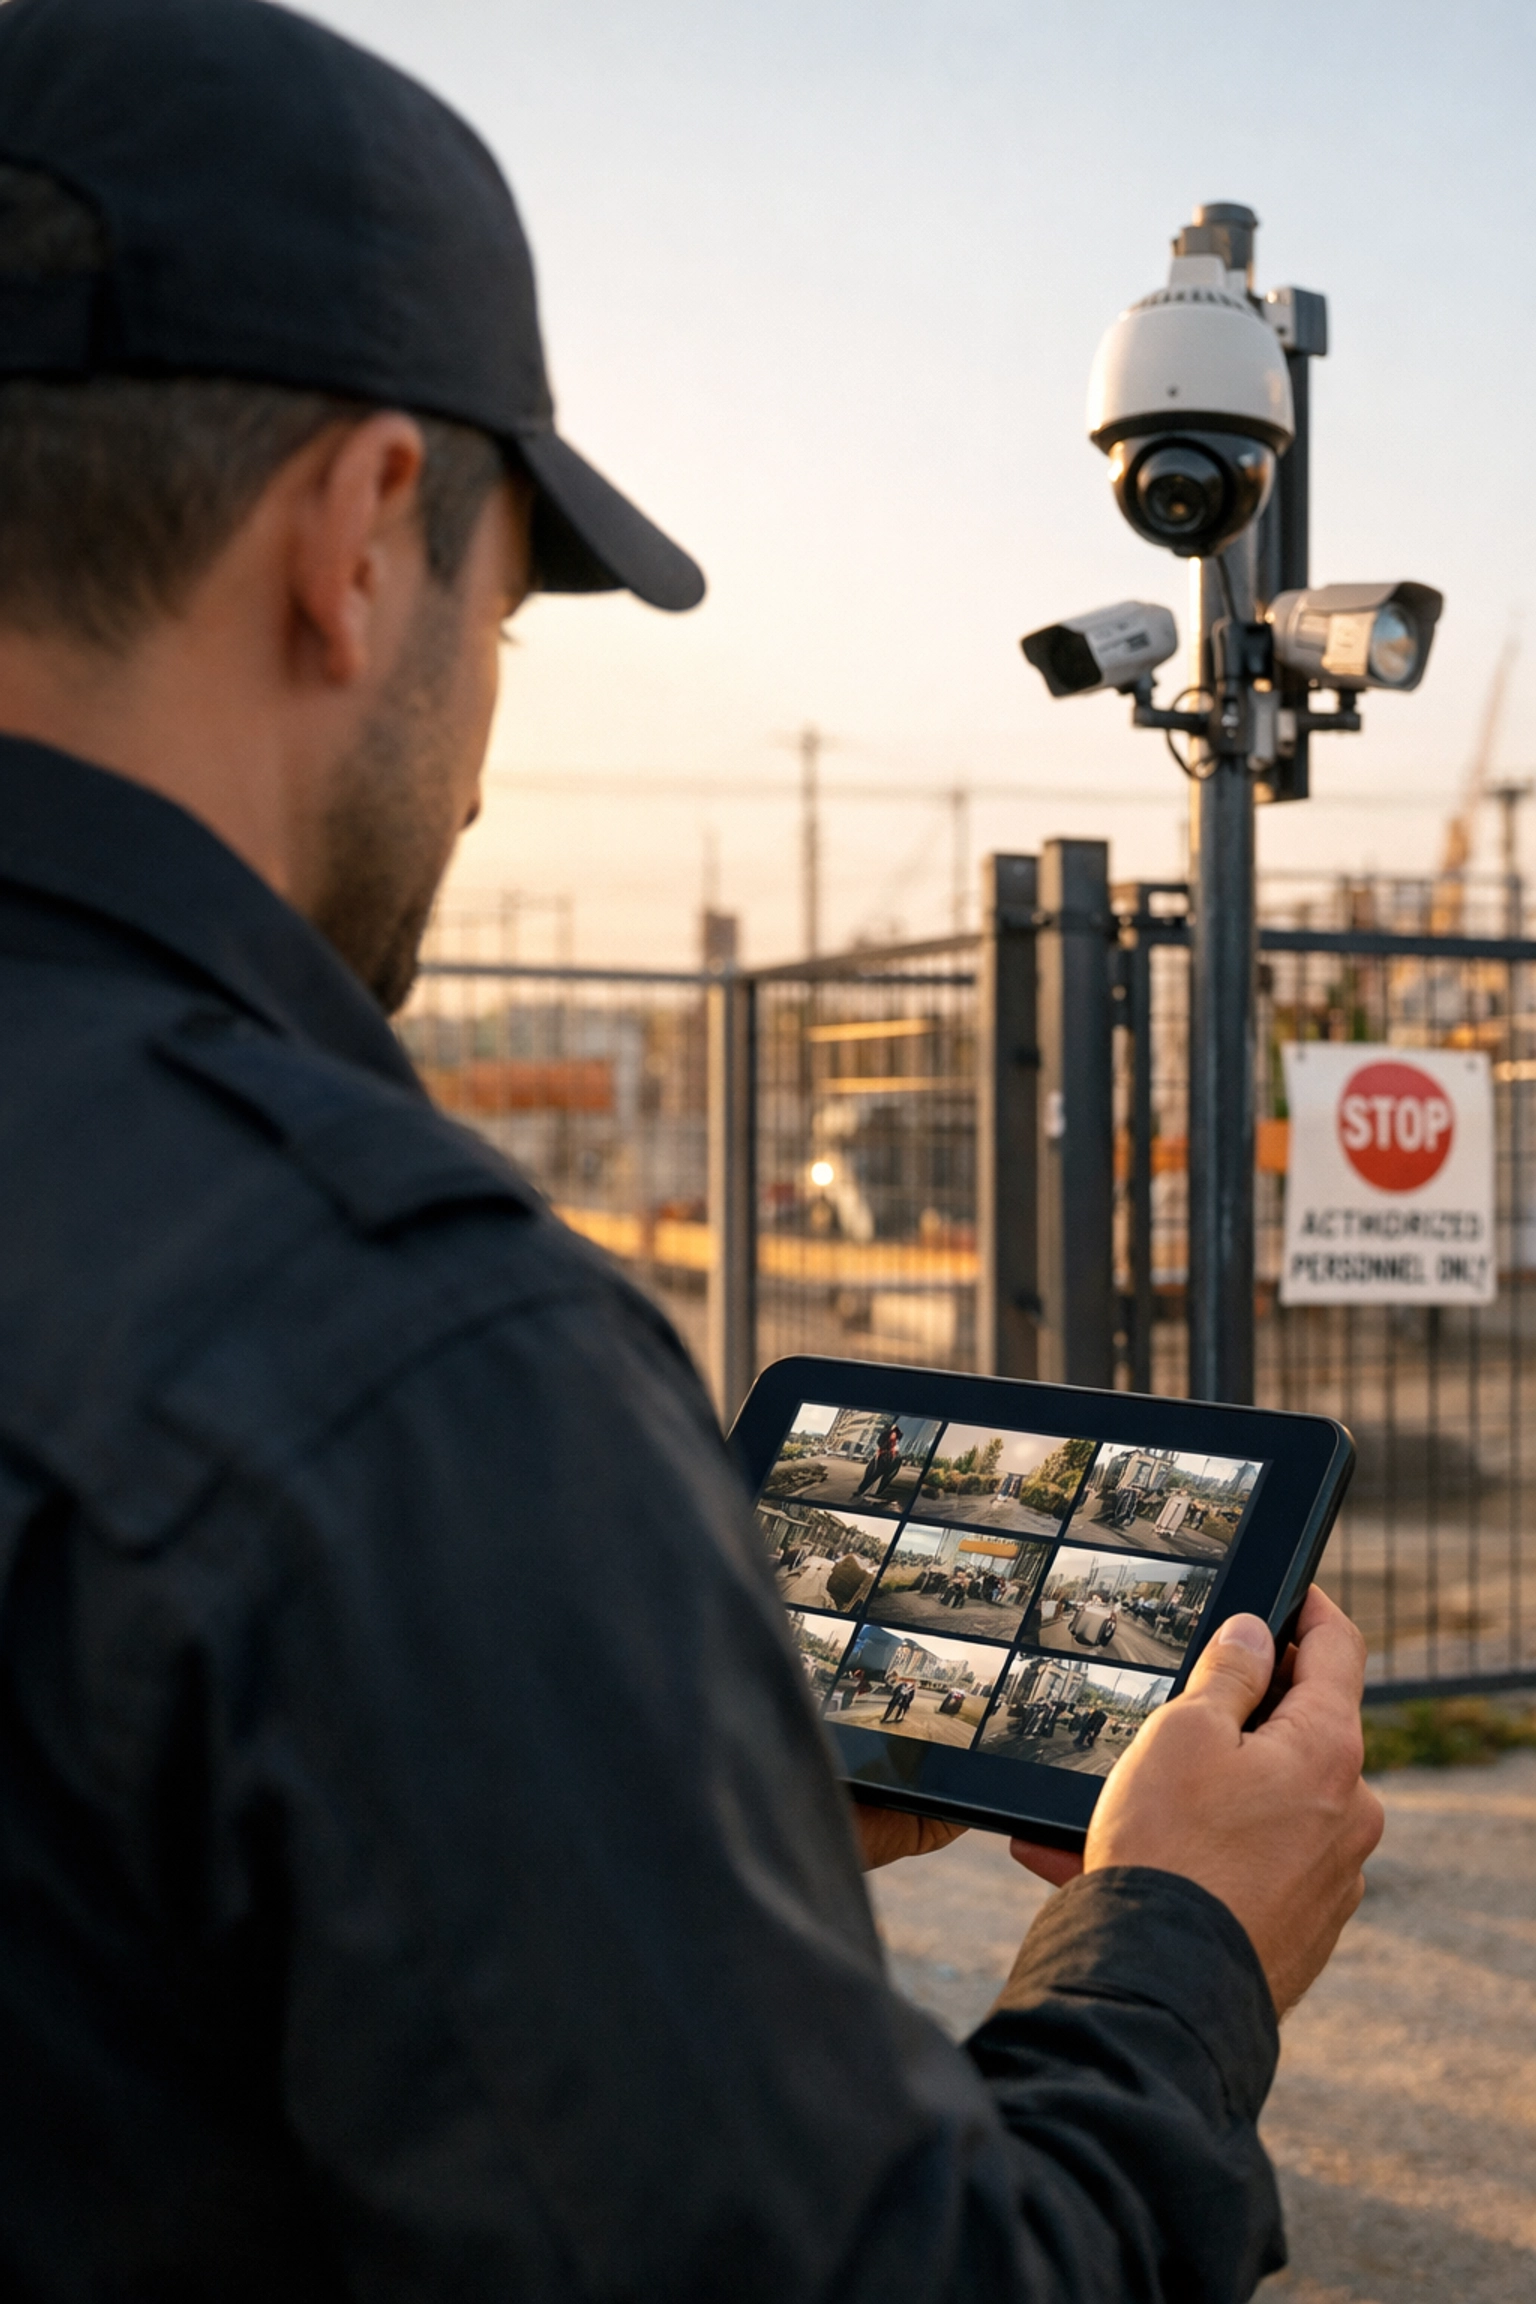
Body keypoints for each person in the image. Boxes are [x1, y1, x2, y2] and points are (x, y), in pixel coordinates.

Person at [0, 4, 1383, 2301]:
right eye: (508, 604)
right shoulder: (392, 1362)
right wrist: (1178, 1948)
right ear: (360, 537)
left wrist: (630, 1825)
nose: (471, 757)